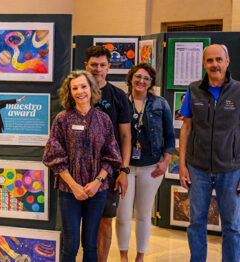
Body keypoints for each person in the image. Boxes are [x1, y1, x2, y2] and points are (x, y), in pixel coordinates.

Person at [43, 70, 122, 262]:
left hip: (97, 190)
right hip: (69, 190)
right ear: (69, 92)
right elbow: (54, 156)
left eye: (84, 86)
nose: (80, 92)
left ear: (91, 89)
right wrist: (74, 186)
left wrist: (97, 182)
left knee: (90, 244)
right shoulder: (62, 119)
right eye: (75, 88)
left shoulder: (104, 120)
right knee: (70, 245)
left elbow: (111, 156)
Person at [179, 44, 240, 262]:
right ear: (204, 64)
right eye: (210, 60)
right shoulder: (194, 89)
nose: (214, 64)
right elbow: (186, 127)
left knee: (232, 225)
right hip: (198, 169)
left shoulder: (239, 91)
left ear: (227, 61)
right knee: (196, 222)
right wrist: (183, 165)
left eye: (218, 60)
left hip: (231, 169)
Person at [115, 63, 176, 262]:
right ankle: (123, 255)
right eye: (138, 76)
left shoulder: (161, 104)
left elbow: (169, 135)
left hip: (151, 168)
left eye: (146, 78)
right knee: (123, 215)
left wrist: (166, 161)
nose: (141, 81)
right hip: (124, 168)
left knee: (143, 214)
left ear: (151, 83)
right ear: (131, 78)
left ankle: (140, 256)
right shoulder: (121, 101)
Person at [84, 45, 132, 262]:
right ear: (86, 65)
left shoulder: (118, 96)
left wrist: (124, 170)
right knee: (80, 220)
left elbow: (125, 136)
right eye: (93, 65)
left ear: (109, 67)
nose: (97, 69)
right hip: (80, 168)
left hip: (109, 170)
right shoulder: (76, 90)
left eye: (102, 65)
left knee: (105, 220)